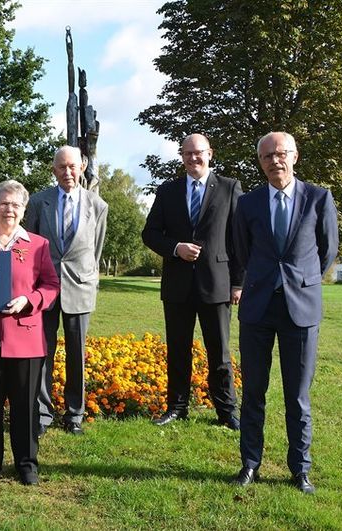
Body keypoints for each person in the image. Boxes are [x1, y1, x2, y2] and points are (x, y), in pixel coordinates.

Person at [232, 132, 338, 494]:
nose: (274, 161)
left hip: (302, 310)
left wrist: (301, 279)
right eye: (266, 156)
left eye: (280, 154)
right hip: (258, 309)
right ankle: (250, 464)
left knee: (298, 396)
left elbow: (326, 250)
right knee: (253, 393)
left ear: (294, 156)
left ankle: (300, 469)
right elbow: (242, 251)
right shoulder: (247, 204)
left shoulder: (319, 199)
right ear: (260, 162)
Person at [0, 180, 60, 486]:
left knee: (25, 406)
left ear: (24, 210)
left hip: (26, 339)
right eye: (4, 203)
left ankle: (27, 463)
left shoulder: (38, 244)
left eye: (16, 204)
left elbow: (50, 287)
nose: (10, 209)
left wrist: (28, 301)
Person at [142, 133, 242, 429]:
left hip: (218, 284)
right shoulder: (168, 191)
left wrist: (239, 283)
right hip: (177, 285)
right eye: (187, 154)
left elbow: (239, 239)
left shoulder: (230, 188)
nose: (193, 158)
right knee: (177, 349)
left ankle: (226, 412)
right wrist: (176, 248)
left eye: (198, 153)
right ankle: (177, 408)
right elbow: (150, 233)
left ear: (210, 153)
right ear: (181, 156)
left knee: (220, 352)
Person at [24, 146, 108, 436]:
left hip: (80, 287)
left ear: (82, 166)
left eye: (72, 166)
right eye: (62, 167)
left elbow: (95, 250)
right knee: (41, 351)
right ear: (53, 169)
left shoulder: (98, 205)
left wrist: (88, 277)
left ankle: (75, 414)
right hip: (43, 288)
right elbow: (30, 244)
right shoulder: (38, 202)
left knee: (77, 354)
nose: (67, 172)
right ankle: (42, 413)